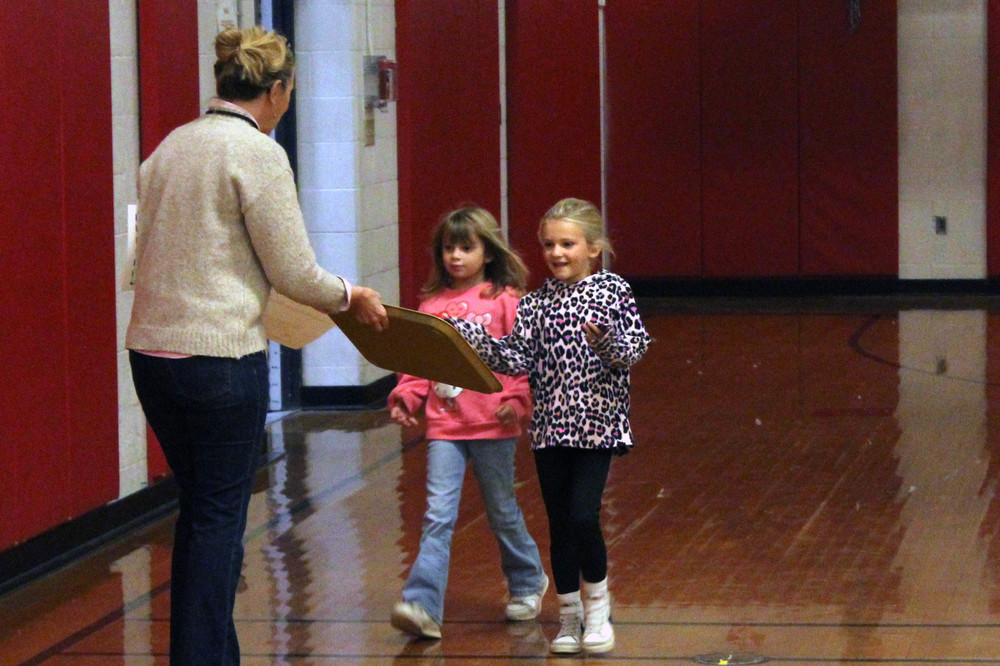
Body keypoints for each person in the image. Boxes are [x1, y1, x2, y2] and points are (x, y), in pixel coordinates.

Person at [126, 26, 388, 665]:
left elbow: (144, 256)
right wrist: (351, 293)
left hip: (151, 358)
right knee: (218, 523)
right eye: (289, 91)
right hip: (218, 362)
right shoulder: (258, 153)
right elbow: (295, 274)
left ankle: (218, 655)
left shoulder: (169, 148)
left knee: (201, 511)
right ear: (275, 90)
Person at [449, 198, 650, 655]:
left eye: (567, 243)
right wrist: (472, 337)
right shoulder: (535, 304)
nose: (556, 253)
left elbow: (632, 351)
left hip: (597, 426)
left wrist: (608, 342)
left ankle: (598, 609)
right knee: (560, 525)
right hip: (550, 429)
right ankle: (569, 616)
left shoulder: (613, 291)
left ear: (593, 248)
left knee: (583, 515)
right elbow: (515, 359)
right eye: (548, 245)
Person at [388, 206, 548, 640]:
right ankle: (422, 605)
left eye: (466, 247)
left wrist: (517, 401)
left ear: (488, 252)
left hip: (493, 426)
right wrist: (407, 395)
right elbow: (419, 363)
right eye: (448, 248)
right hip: (446, 428)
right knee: (438, 516)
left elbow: (521, 360)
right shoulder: (431, 305)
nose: (456, 256)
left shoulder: (505, 301)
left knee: (501, 511)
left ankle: (528, 582)